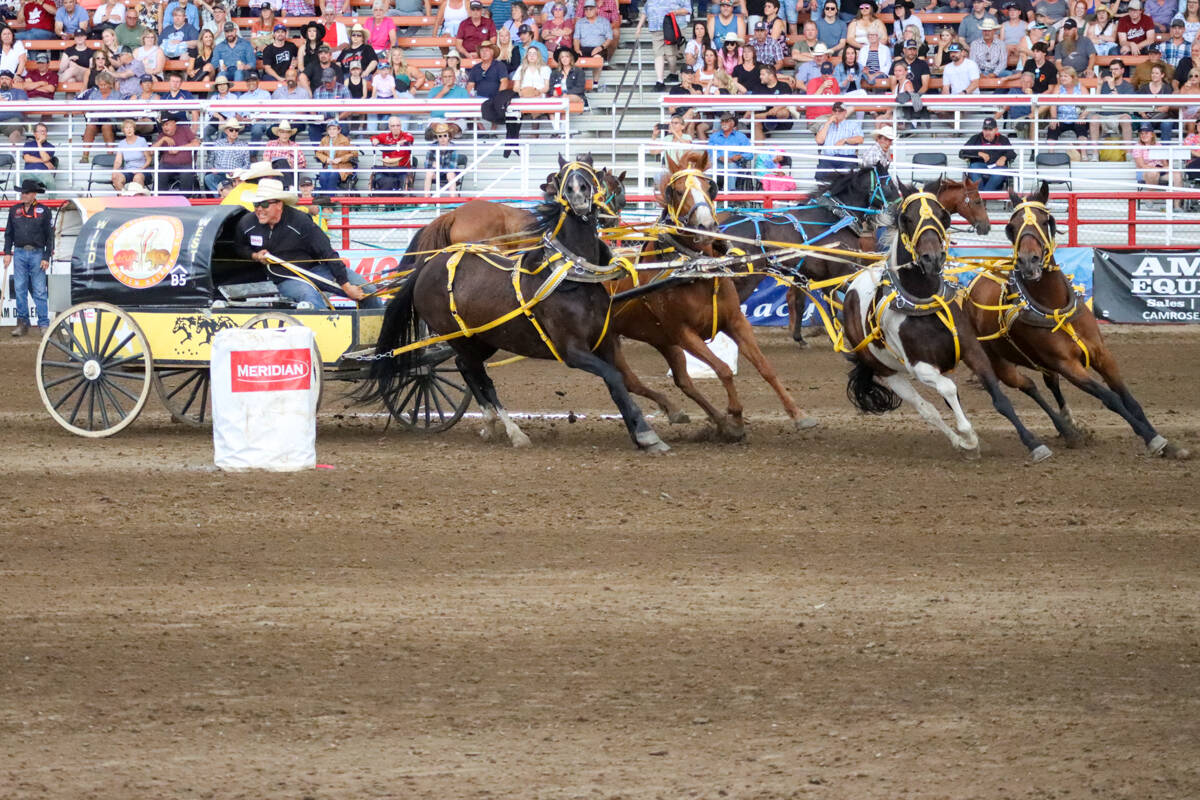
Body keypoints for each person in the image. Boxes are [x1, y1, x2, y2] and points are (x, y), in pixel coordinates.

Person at [235, 178, 378, 307]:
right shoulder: (247, 223)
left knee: (368, 290)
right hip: (284, 278)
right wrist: (255, 255)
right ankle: (325, 332)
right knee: (309, 296)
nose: (259, 209)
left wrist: (346, 285)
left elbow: (327, 252)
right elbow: (239, 248)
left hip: (314, 270)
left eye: (264, 204)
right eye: (256, 204)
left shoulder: (301, 221)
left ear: (279, 204)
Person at [3, 179, 53, 336]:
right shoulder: (14, 210)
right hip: (19, 253)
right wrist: (7, 253)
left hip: (37, 253)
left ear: (34, 194)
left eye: (26, 193)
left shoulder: (44, 211)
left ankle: (43, 323)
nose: (22, 195)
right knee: (19, 289)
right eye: (22, 192)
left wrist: (46, 257)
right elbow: (9, 233)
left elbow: (50, 237)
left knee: (39, 290)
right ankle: (23, 323)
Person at [637, 0, 690, 92]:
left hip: (672, 27)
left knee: (670, 54)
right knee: (658, 54)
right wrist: (639, 27)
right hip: (656, 28)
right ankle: (660, 81)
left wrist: (675, 12)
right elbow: (645, 11)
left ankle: (673, 73)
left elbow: (688, 9)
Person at [960, 117, 1014, 191]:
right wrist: (979, 153)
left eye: (990, 130)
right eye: (985, 129)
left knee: (1001, 172)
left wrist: (1004, 158)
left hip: (997, 167)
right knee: (974, 167)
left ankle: (982, 195)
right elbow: (962, 152)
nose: (987, 132)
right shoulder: (976, 138)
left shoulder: (1003, 139)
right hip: (980, 166)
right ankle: (983, 195)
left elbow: (1012, 153)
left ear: (996, 130)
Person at [814, 101, 862, 182]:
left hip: (847, 158)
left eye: (840, 111)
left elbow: (860, 139)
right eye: (835, 111)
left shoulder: (853, 125)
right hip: (828, 158)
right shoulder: (825, 125)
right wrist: (828, 122)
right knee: (820, 174)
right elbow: (819, 140)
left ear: (845, 112)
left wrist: (845, 140)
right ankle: (824, 193)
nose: (837, 113)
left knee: (848, 175)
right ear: (832, 112)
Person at [1090, 57, 1136, 143]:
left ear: (1122, 70)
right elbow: (1096, 104)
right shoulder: (1104, 84)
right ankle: (1095, 154)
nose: (1113, 72)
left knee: (1126, 119)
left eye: (1116, 69)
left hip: (1120, 115)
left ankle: (1128, 153)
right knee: (1093, 118)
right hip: (1103, 115)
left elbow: (1123, 105)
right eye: (1111, 69)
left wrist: (1112, 86)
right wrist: (1099, 85)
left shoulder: (1128, 86)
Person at [1132, 124, 1183, 201]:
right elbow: (1141, 165)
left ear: (1152, 134)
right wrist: (1161, 168)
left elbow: (1165, 163)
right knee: (1153, 172)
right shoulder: (1137, 146)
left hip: (1159, 170)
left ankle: (1177, 206)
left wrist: (1166, 168)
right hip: (1145, 172)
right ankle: (1150, 199)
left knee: (1177, 175)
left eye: (1146, 133)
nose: (1143, 135)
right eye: (1141, 133)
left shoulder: (1158, 145)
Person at [708, 111, 752, 189]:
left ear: (732, 123)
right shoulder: (714, 136)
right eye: (722, 121)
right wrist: (719, 157)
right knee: (708, 170)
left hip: (735, 164)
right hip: (717, 163)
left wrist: (739, 156)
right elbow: (709, 150)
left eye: (726, 121)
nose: (724, 124)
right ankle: (708, 193)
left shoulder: (741, 137)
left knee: (731, 167)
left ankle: (730, 194)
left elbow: (750, 154)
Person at [204, 119, 250, 192]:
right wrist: (212, 168)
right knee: (208, 178)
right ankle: (222, 196)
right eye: (231, 130)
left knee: (240, 181)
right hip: (219, 173)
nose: (234, 132)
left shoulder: (244, 145)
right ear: (226, 131)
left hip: (235, 175)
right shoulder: (217, 143)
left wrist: (238, 172)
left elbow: (247, 164)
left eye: (236, 130)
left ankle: (225, 196)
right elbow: (209, 161)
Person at [574, 0, 613, 87]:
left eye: (590, 9)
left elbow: (609, 38)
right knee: (577, 57)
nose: (588, 11)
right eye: (586, 9)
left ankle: (595, 82)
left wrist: (601, 47)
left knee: (597, 58)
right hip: (584, 48)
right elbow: (576, 38)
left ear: (596, 10)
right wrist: (577, 49)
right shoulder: (580, 22)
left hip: (599, 48)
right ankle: (580, 83)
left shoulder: (604, 21)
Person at [153, 116, 198, 192]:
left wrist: (179, 148)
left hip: (185, 164)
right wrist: (163, 139)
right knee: (160, 172)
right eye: (163, 125)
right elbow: (150, 151)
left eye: (167, 124)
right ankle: (161, 199)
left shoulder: (185, 130)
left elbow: (196, 143)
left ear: (174, 123)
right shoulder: (162, 135)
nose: (164, 127)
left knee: (186, 173)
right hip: (167, 165)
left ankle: (185, 198)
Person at [371, 115, 414, 191]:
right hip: (387, 169)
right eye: (393, 126)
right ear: (389, 127)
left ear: (401, 126)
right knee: (377, 177)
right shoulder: (385, 136)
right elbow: (373, 137)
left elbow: (410, 138)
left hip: (402, 169)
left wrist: (403, 141)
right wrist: (375, 140)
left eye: (398, 125)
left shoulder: (405, 135)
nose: (395, 128)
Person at [423, 121, 465, 195]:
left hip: (449, 172)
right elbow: (427, 166)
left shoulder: (452, 147)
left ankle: (452, 200)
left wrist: (438, 166)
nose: (443, 138)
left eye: (445, 136)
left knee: (450, 174)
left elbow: (452, 167)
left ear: (448, 136)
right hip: (437, 173)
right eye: (440, 136)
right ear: (437, 138)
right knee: (429, 173)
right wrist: (434, 167)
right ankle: (426, 199)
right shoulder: (432, 147)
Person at [316, 120, 357, 193]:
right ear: (327, 130)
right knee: (322, 176)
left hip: (341, 167)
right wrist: (326, 159)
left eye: (334, 129)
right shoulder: (324, 140)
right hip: (328, 166)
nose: (332, 131)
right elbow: (318, 153)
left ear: (339, 130)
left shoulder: (345, 140)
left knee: (332, 176)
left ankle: (330, 199)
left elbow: (354, 153)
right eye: (330, 129)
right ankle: (325, 199)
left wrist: (341, 159)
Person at [262, 120, 306, 184]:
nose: (285, 135)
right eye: (282, 132)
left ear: (290, 134)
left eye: (287, 132)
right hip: (274, 174)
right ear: (278, 133)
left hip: (291, 172)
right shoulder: (271, 144)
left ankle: (286, 186)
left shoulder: (295, 146)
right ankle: (287, 187)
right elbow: (266, 161)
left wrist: (292, 166)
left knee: (285, 163)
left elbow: (303, 164)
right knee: (281, 162)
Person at [20, 122, 55, 191]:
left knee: (51, 182)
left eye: (44, 131)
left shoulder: (50, 146)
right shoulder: (28, 144)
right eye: (41, 131)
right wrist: (44, 162)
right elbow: (27, 158)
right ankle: (21, 200)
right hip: (28, 172)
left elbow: (46, 158)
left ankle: (51, 201)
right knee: (17, 178)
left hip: (43, 173)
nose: (43, 133)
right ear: (34, 134)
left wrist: (39, 143)